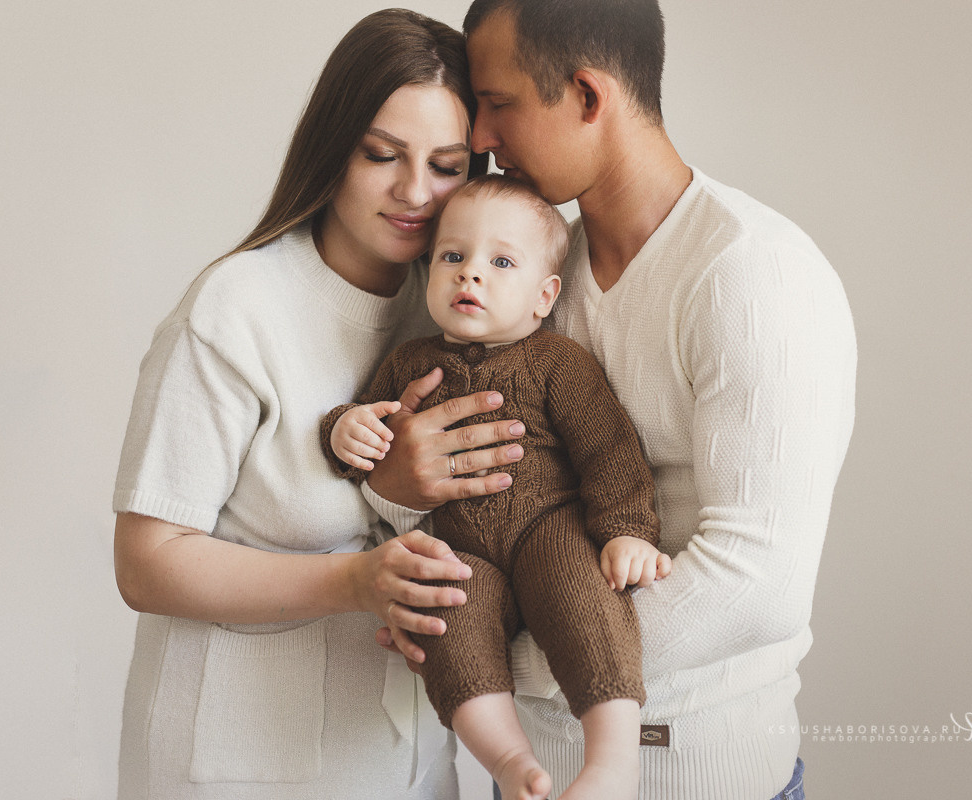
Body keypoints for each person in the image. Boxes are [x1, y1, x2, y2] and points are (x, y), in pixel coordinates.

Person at [362, 1, 858, 798]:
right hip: (526, 777)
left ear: (588, 97)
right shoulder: (523, 274)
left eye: (498, 103)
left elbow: (757, 586)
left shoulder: (754, 276)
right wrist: (395, 488)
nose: (479, 140)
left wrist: (483, 654)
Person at [110, 9, 502, 799]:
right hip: (232, 769)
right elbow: (145, 564)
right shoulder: (234, 309)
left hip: (407, 765)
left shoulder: (459, 310)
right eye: (381, 155)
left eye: (447, 165)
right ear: (334, 146)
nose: (415, 193)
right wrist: (355, 582)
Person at [324, 175, 672, 800]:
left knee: (583, 598)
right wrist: (344, 429)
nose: (470, 275)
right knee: (442, 623)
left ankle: (615, 761)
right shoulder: (410, 363)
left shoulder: (557, 362)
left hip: (549, 525)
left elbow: (608, 450)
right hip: (463, 549)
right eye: (452, 257)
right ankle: (511, 762)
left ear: (544, 297)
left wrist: (627, 532)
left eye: (500, 262)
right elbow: (370, 429)